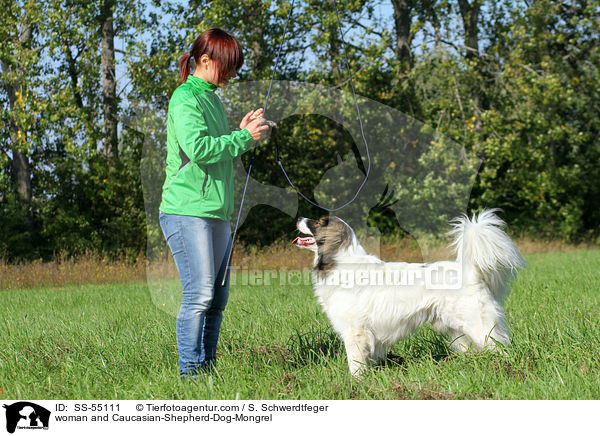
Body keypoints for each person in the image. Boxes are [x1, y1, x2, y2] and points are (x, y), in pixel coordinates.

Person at [158, 27, 274, 378]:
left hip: (217, 212)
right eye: (227, 67)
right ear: (204, 61)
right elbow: (198, 150)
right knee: (199, 295)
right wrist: (243, 137)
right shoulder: (184, 98)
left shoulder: (211, 97)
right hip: (186, 211)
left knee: (217, 300)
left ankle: (209, 369)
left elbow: (217, 146)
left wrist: (240, 131)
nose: (231, 74)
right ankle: (190, 375)